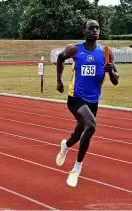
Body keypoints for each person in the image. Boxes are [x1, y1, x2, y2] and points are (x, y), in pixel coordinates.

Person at [55, 19, 119, 188]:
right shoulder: (75, 49)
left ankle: (65, 145)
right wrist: (59, 80)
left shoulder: (106, 52)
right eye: (91, 28)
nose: (95, 31)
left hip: (93, 100)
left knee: (78, 134)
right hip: (75, 97)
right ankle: (77, 168)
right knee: (90, 126)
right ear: (84, 31)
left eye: (97, 28)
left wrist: (110, 70)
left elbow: (116, 81)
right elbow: (60, 58)